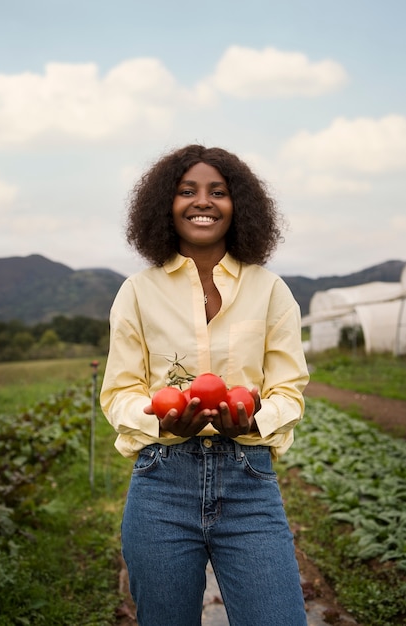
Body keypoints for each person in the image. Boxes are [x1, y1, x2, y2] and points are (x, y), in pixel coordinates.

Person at [100, 144, 310, 626]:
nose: (203, 201)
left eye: (218, 191)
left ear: (239, 205)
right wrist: (160, 414)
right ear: (164, 206)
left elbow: (288, 391)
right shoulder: (138, 291)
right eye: (186, 191)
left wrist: (254, 419)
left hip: (249, 482)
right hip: (161, 483)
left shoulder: (270, 289)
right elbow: (119, 394)